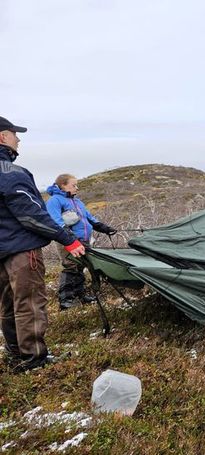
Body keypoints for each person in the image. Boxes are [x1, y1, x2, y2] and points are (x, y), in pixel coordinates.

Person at [0, 116, 86, 372]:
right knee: (28, 304)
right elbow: (32, 215)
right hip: (21, 252)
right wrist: (68, 240)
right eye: (15, 134)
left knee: (7, 305)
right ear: (3, 137)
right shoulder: (11, 173)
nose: (19, 139)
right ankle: (33, 358)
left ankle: (16, 354)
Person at [46, 174, 116, 310]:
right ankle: (66, 299)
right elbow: (56, 221)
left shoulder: (77, 202)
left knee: (81, 267)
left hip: (84, 240)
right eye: (74, 185)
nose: (77, 187)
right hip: (68, 240)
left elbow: (89, 218)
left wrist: (104, 228)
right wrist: (69, 237)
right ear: (63, 185)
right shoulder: (55, 201)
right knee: (71, 266)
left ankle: (80, 295)